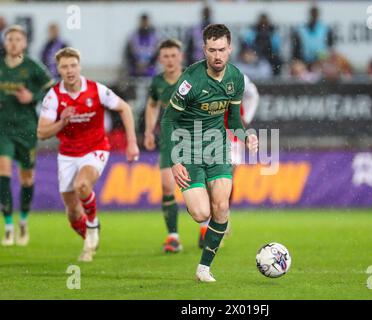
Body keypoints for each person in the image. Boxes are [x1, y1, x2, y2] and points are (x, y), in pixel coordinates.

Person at [161, 24, 258, 282]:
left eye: (222, 49)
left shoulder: (235, 78)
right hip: (188, 149)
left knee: (222, 207)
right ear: (204, 49)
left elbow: (235, 120)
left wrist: (247, 135)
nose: (217, 55)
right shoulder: (190, 80)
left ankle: (204, 268)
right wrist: (174, 161)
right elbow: (168, 120)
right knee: (202, 214)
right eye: (212, 50)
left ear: (230, 49)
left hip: (217, 148)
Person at [37, 47, 139, 262]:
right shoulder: (53, 96)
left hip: (95, 149)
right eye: (64, 67)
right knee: (73, 213)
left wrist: (132, 143)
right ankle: (89, 238)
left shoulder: (96, 90)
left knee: (82, 185)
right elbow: (42, 132)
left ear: (79, 66)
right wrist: (62, 121)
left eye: (73, 65)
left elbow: (125, 109)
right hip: (67, 154)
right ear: (59, 70)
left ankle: (92, 225)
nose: (70, 70)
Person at [0, 25, 54, 246]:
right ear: (5, 43)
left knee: (27, 179)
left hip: (26, 128)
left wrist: (33, 97)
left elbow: (51, 89)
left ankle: (23, 221)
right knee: (3, 170)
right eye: (9, 39)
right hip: (3, 128)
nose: (13, 43)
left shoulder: (33, 67)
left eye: (17, 39)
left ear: (24, 43)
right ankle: (8, 226)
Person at [198, 74, 260, 248]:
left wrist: (245, 118)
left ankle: (220, 219)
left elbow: (253, 94)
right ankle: (207, 226)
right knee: (207, 182)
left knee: (226, 179)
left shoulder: (239, 77)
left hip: (231, 135)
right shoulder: (200, 75)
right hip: (207, 134)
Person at [144, 39, 184, 253]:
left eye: (173, 55)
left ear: (181, 57)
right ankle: (173, 236)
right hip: (169, 139)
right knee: (168, 187)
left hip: (194, 138)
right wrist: (149, 131)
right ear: (160, 59)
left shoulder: (192, 78)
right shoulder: (157, 83)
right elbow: (152, 105)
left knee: (202, 186)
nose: (169, 60)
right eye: (165, 56)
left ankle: (206, 228)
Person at [125, 14, 159, 78]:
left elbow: (156, 53)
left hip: (149, 66)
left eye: (146, 22)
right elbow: (129, 52)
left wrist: (147, 64)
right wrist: (136, 64)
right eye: (143, 22)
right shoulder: (133, 36)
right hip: (135, 67)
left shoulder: (153, 37)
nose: (144, 24)